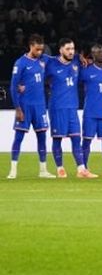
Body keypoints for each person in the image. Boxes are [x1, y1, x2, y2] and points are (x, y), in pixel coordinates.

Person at [9, 34, 50, 179]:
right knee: (19, 137)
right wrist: (18, 108)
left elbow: (60, 60)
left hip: (40, 106)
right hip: (25, 106)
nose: (40, 52)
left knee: (42, 137)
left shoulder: (43, 60)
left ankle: (43, 170)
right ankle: (13, 170)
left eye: (41, 50)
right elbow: (13, 87)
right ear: (31, 46)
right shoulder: (20, 63)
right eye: (37, 49)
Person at [46, 38, 88, 178]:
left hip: (72, 107)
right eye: (68, 49)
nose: (71, 52)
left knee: (76, 138)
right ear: (60, 50)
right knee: (57, 139)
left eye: (72, 49)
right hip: (57, 107)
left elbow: (85, 56)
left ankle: (81, 170)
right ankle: (60, 168)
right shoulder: (51, 63)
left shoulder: (77, 61)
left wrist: (80, 56)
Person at [80, 44, 102, 178]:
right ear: (93, 55)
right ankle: (84, 169)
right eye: (99, 52)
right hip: (90, 112)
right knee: (87, 141)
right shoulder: (85, 71)